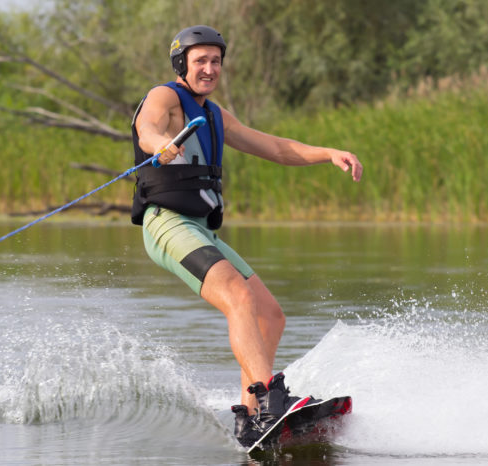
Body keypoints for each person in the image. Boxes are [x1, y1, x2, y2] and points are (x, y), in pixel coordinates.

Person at [130, 25, 363, 448]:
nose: (209, 68)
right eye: (200, 60)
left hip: (199, 229)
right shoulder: (165, 97)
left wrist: (327, 153)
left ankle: (252, 419)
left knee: (270, 315)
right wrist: (160, 143)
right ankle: (268, 398)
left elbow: (276, 148)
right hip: (166, 222)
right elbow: (147, 126)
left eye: (215, 61)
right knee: (238, 295)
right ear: (182, 64)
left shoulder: (217, 115)